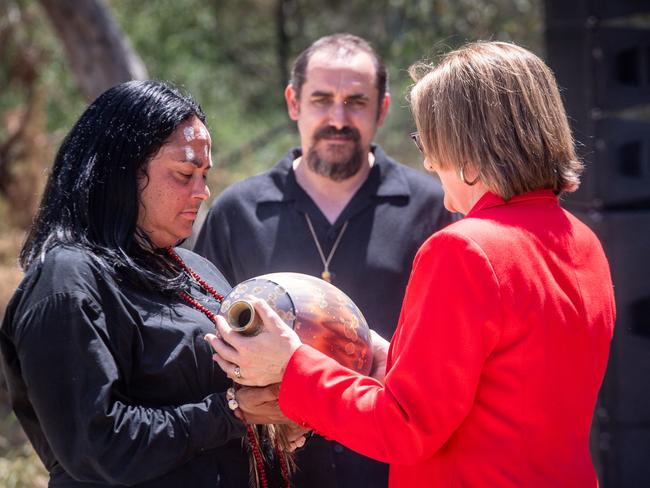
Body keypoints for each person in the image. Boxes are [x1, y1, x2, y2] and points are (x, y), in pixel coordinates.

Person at [205, 41, 616, 487]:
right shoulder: (583, 240)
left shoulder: (464, 249)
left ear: (465, 146)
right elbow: (501, 385)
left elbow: (403, 428)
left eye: (428, 139)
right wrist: (375, 352)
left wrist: (292, 364)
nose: (426, 160)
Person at [0, 80, 297, 488]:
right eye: (184, 174)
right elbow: (96, 447)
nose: (202, 192)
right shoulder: (66, 282)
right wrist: (231, 412)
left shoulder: (194, 268)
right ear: (119, 172)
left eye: (204, 175)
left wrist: (276, 420)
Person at [194, 33, 454, 487]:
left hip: (391, 468)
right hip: (272, 469)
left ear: (383, 109)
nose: (338, 118)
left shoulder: (434, 206)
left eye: (355, 101)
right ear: (294, 102)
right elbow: (200, 339)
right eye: (322, 100)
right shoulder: (237, 211)